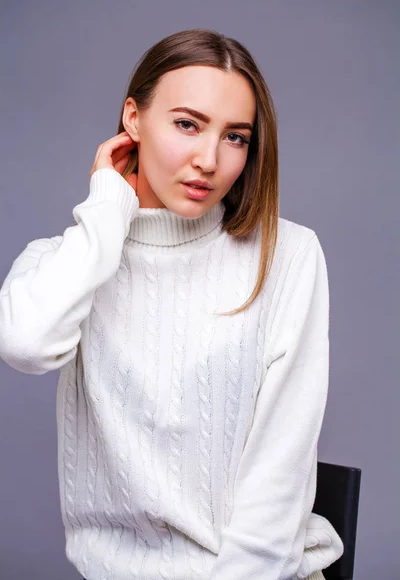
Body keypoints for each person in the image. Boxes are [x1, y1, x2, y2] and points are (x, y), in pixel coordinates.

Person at [0, 29, 344, 580]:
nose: (209, 159)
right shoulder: (70, 262)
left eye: (235, 137)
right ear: (133, 120)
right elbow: (24, 343)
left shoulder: (289, 256)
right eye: (187, 124)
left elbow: (276, 489)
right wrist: (110, 205)